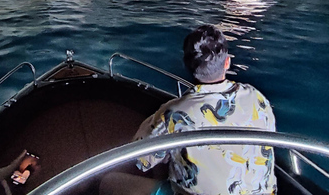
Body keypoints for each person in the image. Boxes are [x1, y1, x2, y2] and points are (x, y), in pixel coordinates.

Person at [100, 24, 277, 195]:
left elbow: (139, 159)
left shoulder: (174, 114)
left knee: (109, 181)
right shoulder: (257, 98)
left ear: (187, 66)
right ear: (227, 62)